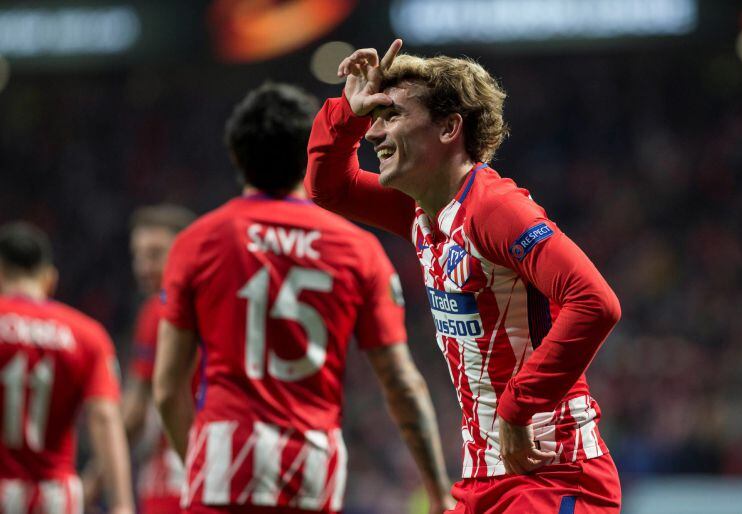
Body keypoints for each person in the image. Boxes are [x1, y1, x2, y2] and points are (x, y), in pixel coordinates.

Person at [305, 39, 622, 513]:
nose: (374, 134)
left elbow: (595, 302)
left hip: (551, 471)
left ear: (451, 127)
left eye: (391, 116)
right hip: (484, 477)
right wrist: (347, 113)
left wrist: (518, 408)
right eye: (374, 120)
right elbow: (329, 187)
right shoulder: (423, 212)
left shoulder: (494, 209)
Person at [153, 82, 453, 514]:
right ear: (305, 156)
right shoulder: (357, 249)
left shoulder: (197, 242)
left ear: (237, 156)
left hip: (223, 461)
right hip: (311, 466)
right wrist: (436, 487)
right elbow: (401, 382)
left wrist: (199, 461)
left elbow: (167, 389)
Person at [0, 222, 133, 514]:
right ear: (50, 280)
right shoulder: (87, 335)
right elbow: (104, 417)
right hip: (56, 499)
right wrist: (122, 504)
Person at [85, 205, 197, 513]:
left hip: (174, 473)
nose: (143, 266)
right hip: (219, 465)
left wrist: (94, 481)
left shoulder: (161, 308)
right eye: (138, 255)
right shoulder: (217, 300)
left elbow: (134, 411)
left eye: (155, 254)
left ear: (185, 251)